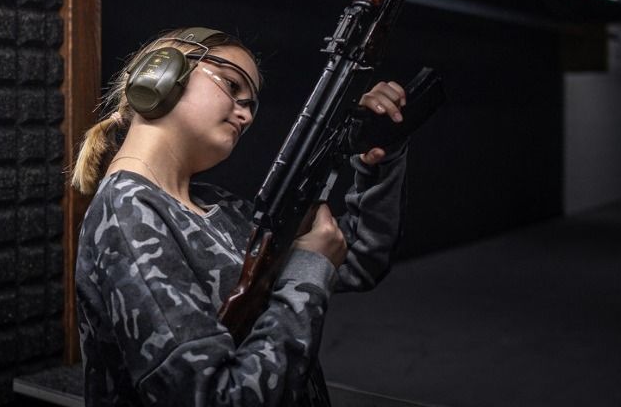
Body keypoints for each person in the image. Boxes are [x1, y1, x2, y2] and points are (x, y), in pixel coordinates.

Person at [71, 27, 409, 406]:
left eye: (251, 102)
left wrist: (380, 159)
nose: (246, 114)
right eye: (232, 86)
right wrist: (308, 272)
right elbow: (217, 398)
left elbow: (360, 257)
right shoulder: (128, 213)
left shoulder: (218, 207)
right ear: (160, 72)